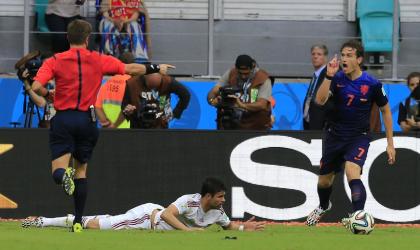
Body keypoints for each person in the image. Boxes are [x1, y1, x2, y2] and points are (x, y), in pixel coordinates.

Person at [31, 19, 174, 233]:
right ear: (88, 39)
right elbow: (130, 68)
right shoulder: (98, 59)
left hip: (63, 119)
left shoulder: (55, 60)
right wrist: (156, 67)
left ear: (68, 38)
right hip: (87, 121)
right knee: (81, 171)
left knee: (58, 171)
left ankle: (63, 176)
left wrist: (48, 95)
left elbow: (35, 85)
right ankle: (78, 221)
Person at [305, 40, 396, 228]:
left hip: (358, 136)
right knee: (324, 181)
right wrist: (328, 76)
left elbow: (386, 110)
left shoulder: (372, 84)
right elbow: (320, 101)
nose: (344, 59)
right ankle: (323, 205)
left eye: (349, 55)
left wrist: (390, 143)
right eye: (343, 55)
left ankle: (358, 216)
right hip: (334, 135)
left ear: (359, 59)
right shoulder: (336, 78)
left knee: (352, 171)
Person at [22, 177, 265, 232]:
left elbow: (227, 226)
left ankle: (46, 221)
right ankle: (42, 221)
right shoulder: (189, 202)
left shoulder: (217, 213)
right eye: (220, 196)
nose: (224, 200)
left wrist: (243, 228)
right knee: (97, 226)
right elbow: (168, 215)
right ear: (207, 196)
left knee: (101, 222)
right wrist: (188, 231)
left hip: (149, 223)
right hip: (148, 217)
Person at [207, 55, 272, 130]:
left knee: (261, 114)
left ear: (253, 67)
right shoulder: (231, 73)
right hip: (233, 119)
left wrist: (241, 105)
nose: (243, 76)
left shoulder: (263, 78)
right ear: (236, 68)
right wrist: (212, 101)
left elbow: (262, 104)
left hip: (255, 124)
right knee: (222, 113)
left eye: (246, 73)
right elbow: (213, 91)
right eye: (240, 73)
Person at [121, 73, 190, 129]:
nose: (153, 90)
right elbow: (124, 106)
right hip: (137, 126)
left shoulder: (168, 82)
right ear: (144, 77)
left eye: (156, 87)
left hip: (160, 126)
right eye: (150, 87)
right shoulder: (132, 83)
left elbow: (186, 95)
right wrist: (128, 110)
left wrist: (174, 114)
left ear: (161, 78)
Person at [94, 52, 135, 129]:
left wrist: (106, 123)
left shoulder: (105, 83)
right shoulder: (134, 85)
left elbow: (97, 106)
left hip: (106, 130)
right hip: (127, 130)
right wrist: (115, 126)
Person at [303, 44, 333, 130]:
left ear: (325, 57)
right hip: (310, 121)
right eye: (313, 54)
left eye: (319, 54)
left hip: (323, 125)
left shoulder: (330, 73)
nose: (315, 56)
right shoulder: (316, 74)